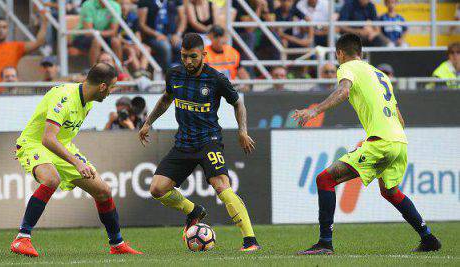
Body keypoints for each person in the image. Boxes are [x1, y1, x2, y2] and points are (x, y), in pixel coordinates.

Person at [292, 34, 441, 255]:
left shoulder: (347, 67)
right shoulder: (380, 74)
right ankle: (428, 238)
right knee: (390, 191)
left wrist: (313, 110)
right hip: (399, 141)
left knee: (324, 179)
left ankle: (325, 243)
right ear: (360, 52)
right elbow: (400, 119)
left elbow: (343, 91)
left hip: (381, 141)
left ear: (340, 53)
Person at [138, 33, 260, 252]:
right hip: (183, 142)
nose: (188, 61)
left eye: (193, 56)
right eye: (184, 56)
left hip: (208, 141)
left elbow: (238, 103)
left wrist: (242, 131)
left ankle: (250, 240)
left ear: (203, 54)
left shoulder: (216, 79)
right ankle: (194, 211)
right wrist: (148, 122)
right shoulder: (174, 74)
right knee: (157, 189)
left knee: (221, 185)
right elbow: (166, 98)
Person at [10, 63, 142, 257]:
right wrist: (77, 163)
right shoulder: (64, 98)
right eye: (112, 88)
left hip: (60, 145)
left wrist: (74, 160)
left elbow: (60, 137)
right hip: (36, 144)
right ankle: (22, 238)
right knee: (51, 179)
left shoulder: (87, 100)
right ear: (103, 87)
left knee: (103, 191)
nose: (110, 93)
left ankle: (117, 243)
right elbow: (47, 138)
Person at [0, 15, 48, 95]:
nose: (1, 30)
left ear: (8, 30)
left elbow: (38, 43)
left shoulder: (16, 47)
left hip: (9, 94)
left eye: (4, 27)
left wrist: (45, 23)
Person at [137, 0, 186, 72]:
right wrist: (156, 34)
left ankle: (186, 75)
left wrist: (177, 34)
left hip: (172, 35)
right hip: (152, 36)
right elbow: (142, 24)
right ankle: (168, 75)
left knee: (184, 46)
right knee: (166, 47)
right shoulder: (145, 1)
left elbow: (183, 19)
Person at [72, 0, 122, 65]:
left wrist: (98, 33)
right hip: (82, 35)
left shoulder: (115, 6)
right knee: (97, 41)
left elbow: (113, 31)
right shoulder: (88, 4)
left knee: (116, 41)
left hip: (101, 36)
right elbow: (88, 31)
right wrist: (104, 33)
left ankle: (119, 69)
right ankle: (95, 72)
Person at [120, 0, 151, 78]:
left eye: (127, 4)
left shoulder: (134, 17)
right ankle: (138, 71)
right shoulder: (117, 16)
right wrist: (129, 43)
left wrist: (138, 44)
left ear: (131, 6)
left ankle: (142, 69)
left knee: (146, 48)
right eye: (122, 4)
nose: (124, 6)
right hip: (123, 43)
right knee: (131, 50)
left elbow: (137, 33)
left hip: (132, 43)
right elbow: (117, 36)